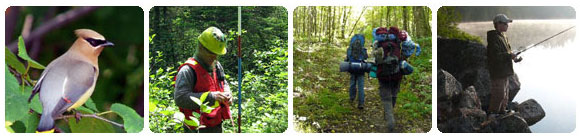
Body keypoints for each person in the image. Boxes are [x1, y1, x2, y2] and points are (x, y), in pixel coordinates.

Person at [174, 27, 232, 133]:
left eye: (216, 55)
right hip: (196, 129)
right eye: (211, 54)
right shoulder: (187, 70)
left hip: (216, 124)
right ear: (201, 47)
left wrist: (227, 93)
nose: (214, 58)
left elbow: (223, 83)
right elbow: (180, 98)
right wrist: (212, 97)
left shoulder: (217, 65)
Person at [486, 14, 522, 117]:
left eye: (507, 24)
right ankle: (492, 113)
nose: (507, 25)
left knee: (505, 94)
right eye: (505, 23)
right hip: (497, 72)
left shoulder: (504, 37)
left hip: (505, 71)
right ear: (498, 24)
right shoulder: (493, 38)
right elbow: (495, 56)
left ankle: (502, 111)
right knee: (499, 94)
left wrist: (515, 58)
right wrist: (509, 55)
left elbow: (508, 52)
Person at [345, 34, 368, 109]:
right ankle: (361, 103)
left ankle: (352, 98)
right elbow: (365, 58)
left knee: (352, 83)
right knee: (361, 86)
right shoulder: (363, 49)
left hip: (352, 68)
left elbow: (348, 57)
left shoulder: (350, 49)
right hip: (361, 69)